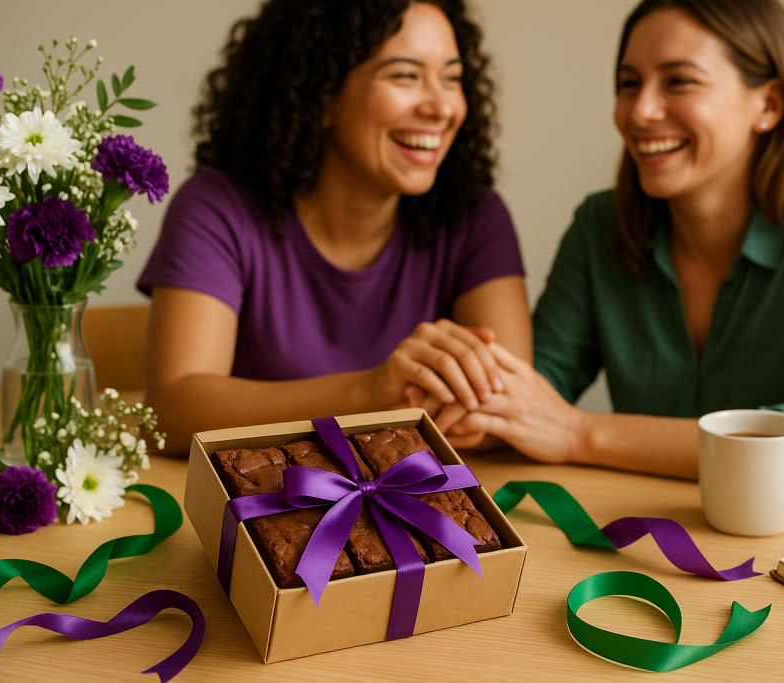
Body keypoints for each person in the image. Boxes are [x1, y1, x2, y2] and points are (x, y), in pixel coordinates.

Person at [444, 0, 784, 491]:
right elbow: (530, 397)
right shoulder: (599, 226)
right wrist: (458, 386)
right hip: (633, 527)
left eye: (679, 81)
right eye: (629, 84)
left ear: (769, 104)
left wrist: (581, 434)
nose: (640, 111)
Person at [137, 0, 531, 453]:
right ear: (321, 93)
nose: (442, 107)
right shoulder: (216, 207)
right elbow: (172, 409)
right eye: (405, 75)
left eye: (452, 78)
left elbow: (507, 408)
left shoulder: (476, 215)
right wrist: (373, 391)